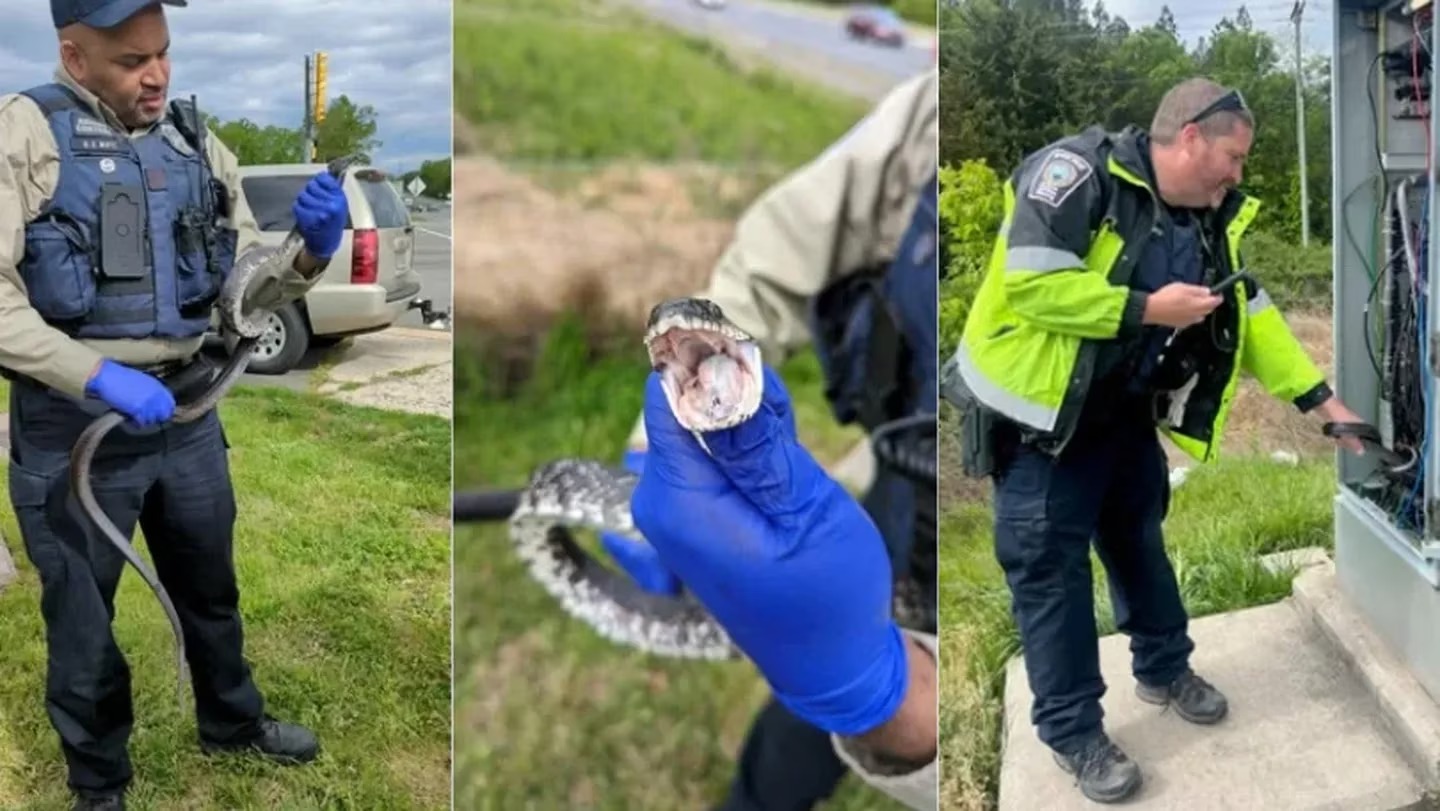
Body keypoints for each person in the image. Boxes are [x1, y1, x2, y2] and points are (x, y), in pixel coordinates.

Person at [948, 77, 1366, 804]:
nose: (1240, 173)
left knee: (1140, 540)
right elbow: (1031, 284)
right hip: (1040, 422)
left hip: (1119, 413)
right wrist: (1147, 307)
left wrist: (1323, 401)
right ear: (1191, 137)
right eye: (1233, 156)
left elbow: (1249, 312)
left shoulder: (1205, 218)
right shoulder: (1075, 174)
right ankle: (1074, 731)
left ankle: (1165, 667)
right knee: (1052, 576)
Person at [0, 2, 350, 808]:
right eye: (130, 60)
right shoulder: (24, 134)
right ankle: (99, 782)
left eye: (162, 53)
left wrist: (308, 253)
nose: (155, 74)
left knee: (210, 587)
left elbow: (245, 288)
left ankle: (232, 722)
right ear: (74, 56)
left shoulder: (197, 143)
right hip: (74, 427)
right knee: (84, 622)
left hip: (188, 414)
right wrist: (92, 373)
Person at [605, 68, 939, 810]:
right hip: (899, 496)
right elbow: (772, 259)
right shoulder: (928, 115)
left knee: (867, 678)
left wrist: (891, 700)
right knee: (795, 723)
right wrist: (647, 441)